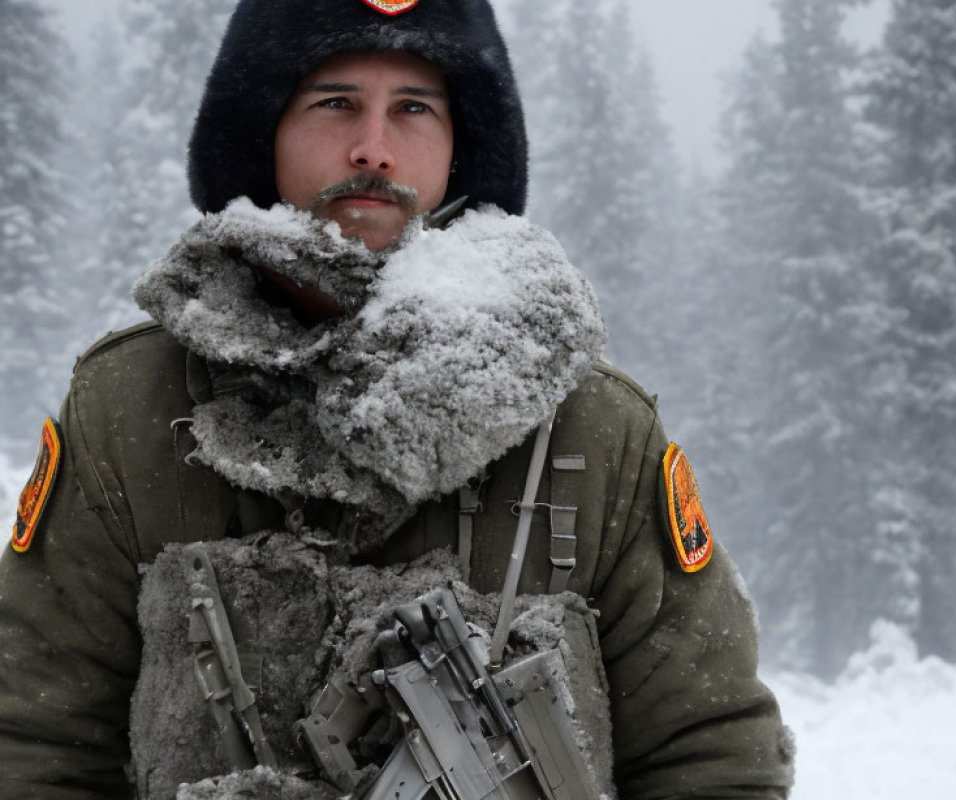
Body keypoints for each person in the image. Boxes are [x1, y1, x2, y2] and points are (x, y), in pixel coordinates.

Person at [0, 1, 794, 798]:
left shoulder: (595, 430)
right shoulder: (128, 410)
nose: (373, 149)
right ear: (263, 129)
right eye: (335, 103)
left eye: (413, 108)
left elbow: (712, 752)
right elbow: (33, 743)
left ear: (461, 146)